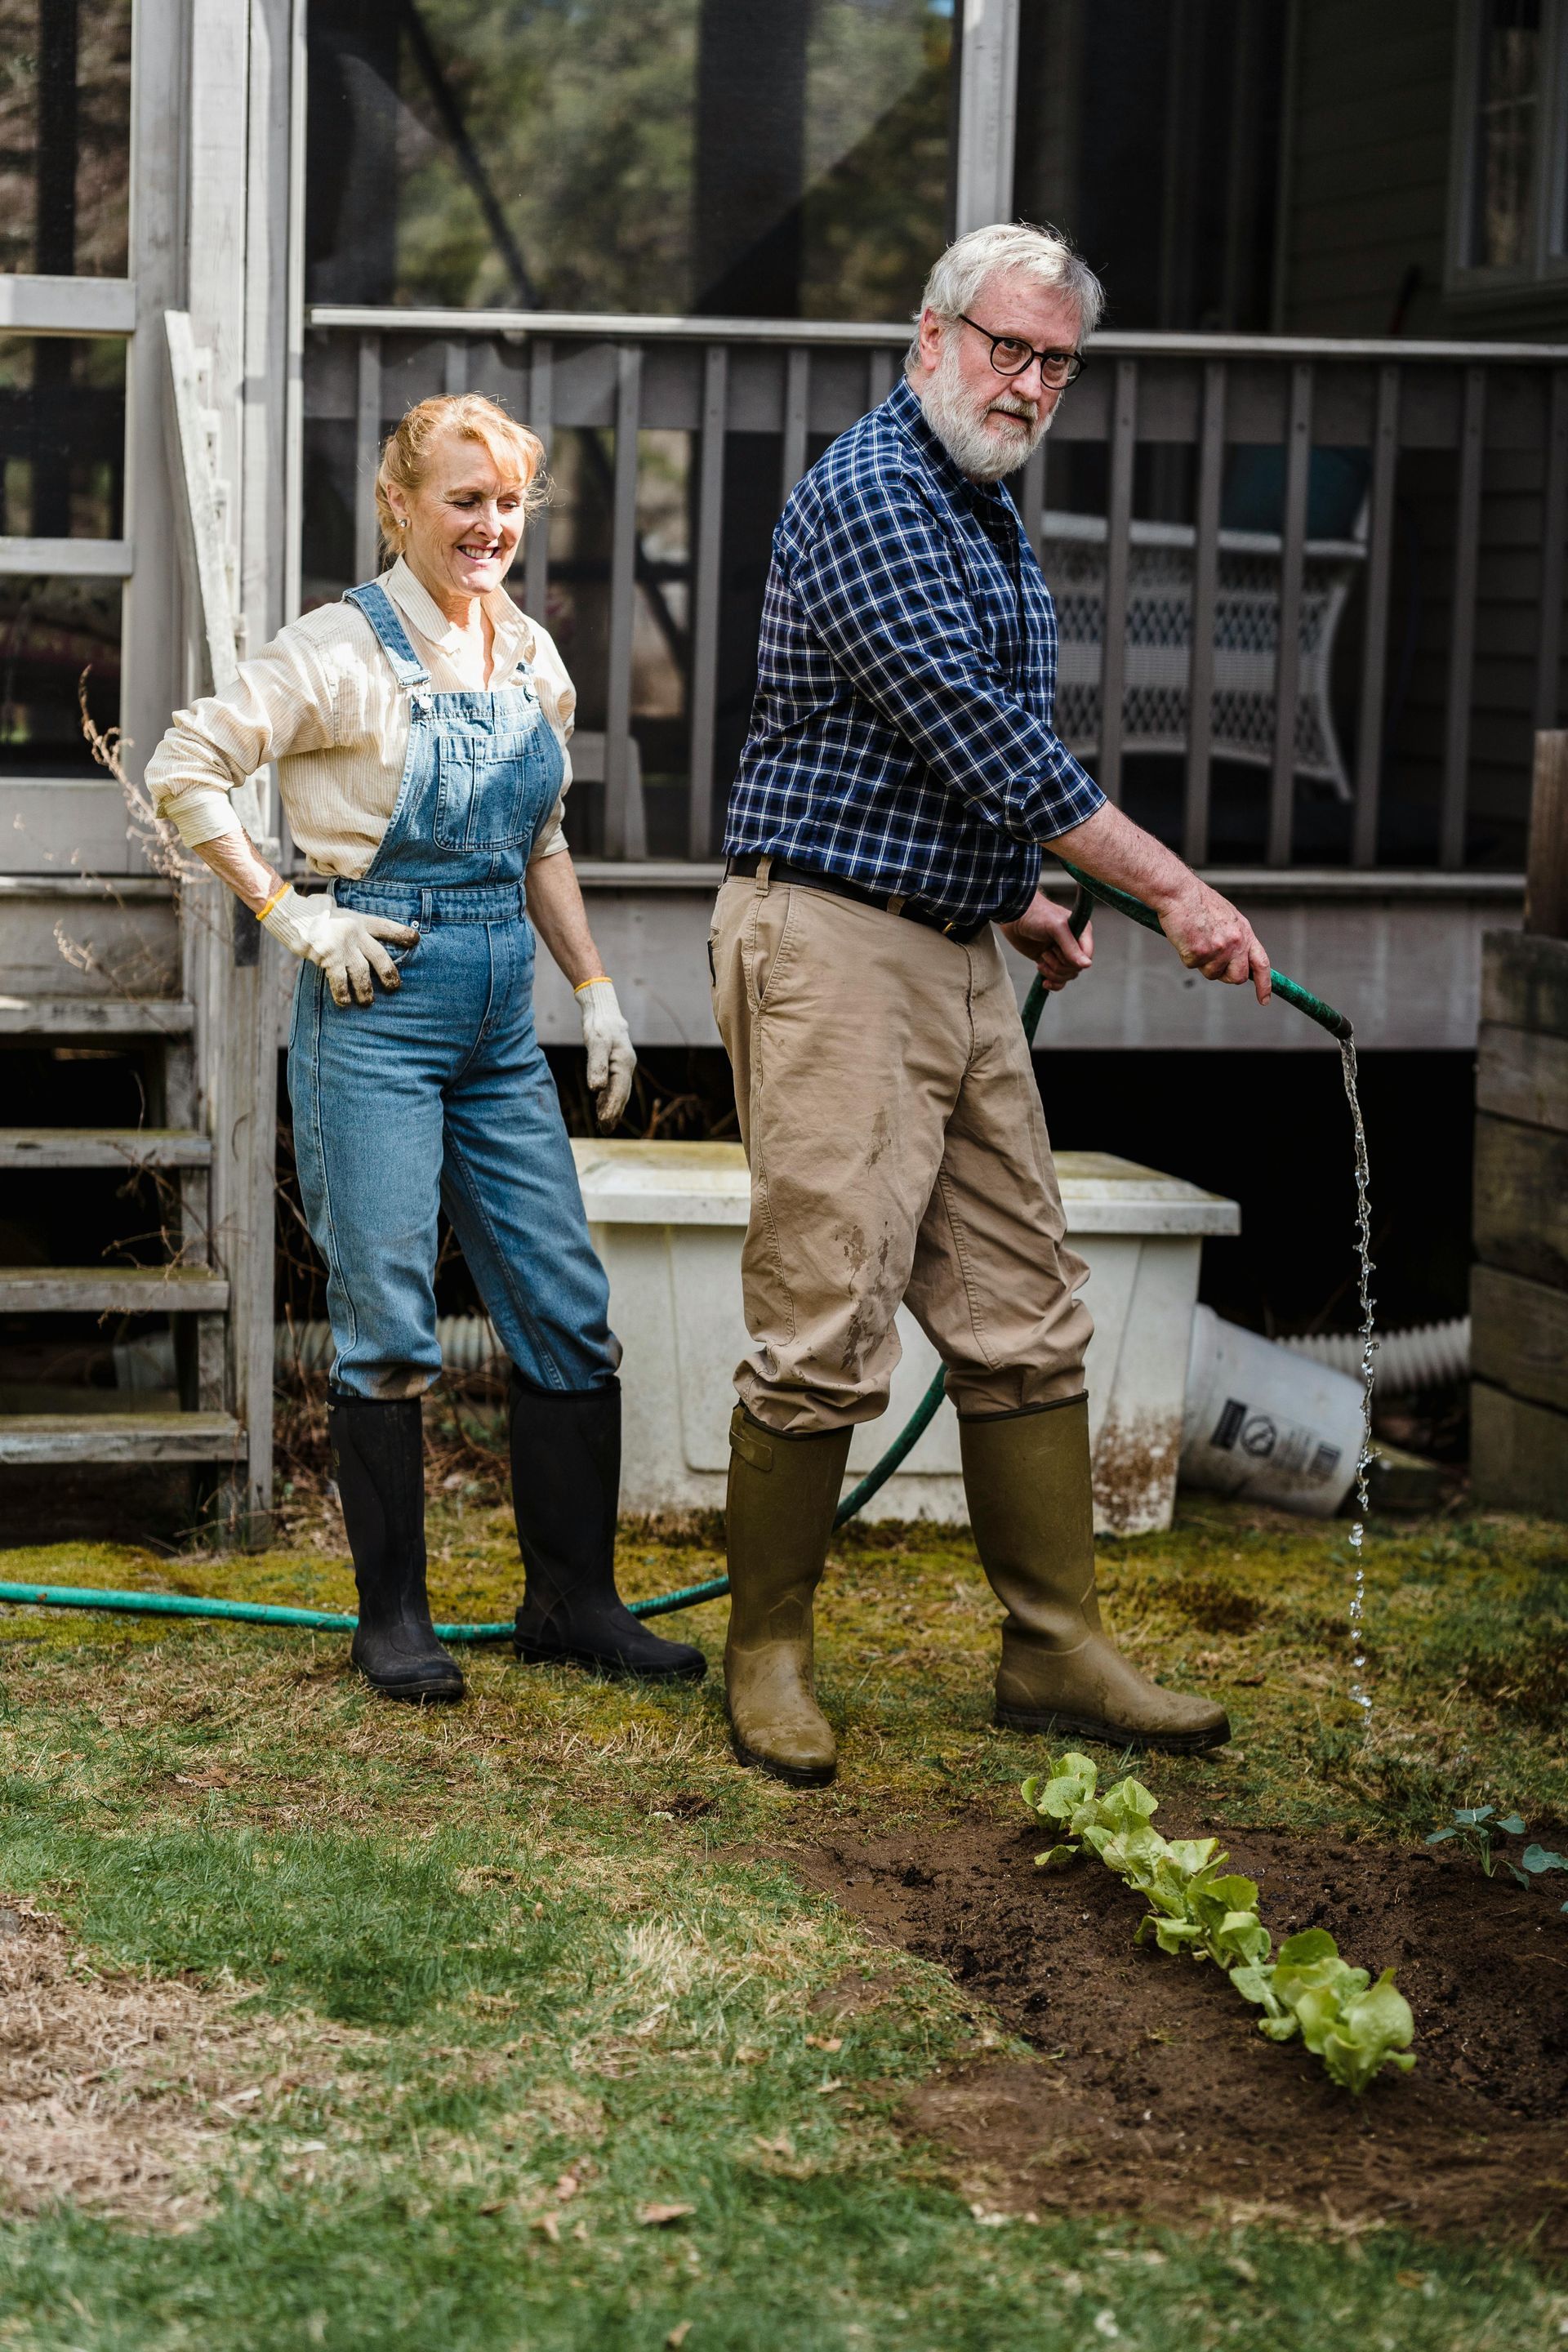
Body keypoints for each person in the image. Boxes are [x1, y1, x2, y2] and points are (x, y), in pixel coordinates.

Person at [710, 222, 1274, 1787]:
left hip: (948, 939)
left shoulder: (981, 505)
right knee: (827, 1311)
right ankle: (767, 1657)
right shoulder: (881, 492)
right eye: (1005, 348)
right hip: (829, 944)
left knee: (1024, 1306)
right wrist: (1170, 886)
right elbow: (986, 744)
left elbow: (924, 759)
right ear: (931, 337)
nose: (1027, 384)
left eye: (1055, 363)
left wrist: (1013, 897)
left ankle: (1054, 1646)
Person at [147, 392, 704, 1701]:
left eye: (508, 503)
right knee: (389, 1323)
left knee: (567, 1310)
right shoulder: (338, 651)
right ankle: (392, 1620)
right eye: (464, 500)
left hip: (504, 1020)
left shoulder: (529, 658)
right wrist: (295, 916)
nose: (490, 526)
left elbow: (541, 841)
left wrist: (598, 986)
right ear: (400, 506)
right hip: (376, 1009)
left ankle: (575, 1602)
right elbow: (185, 766)